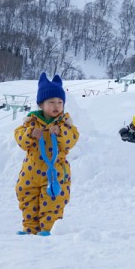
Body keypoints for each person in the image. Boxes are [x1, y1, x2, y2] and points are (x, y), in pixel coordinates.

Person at [14, 72, 79, 235]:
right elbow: (20, 138)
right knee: (27, 196)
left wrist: (61, 133)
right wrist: (30, 133)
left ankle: (48, 229)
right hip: (30, 172)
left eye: (60, 102)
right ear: (41, 105)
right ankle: (29, 228)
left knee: (53, 200)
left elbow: (72, 139)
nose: (56, 105)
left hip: (55, 172)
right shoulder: (30, 122)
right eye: (51, 102)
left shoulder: (65, 123)